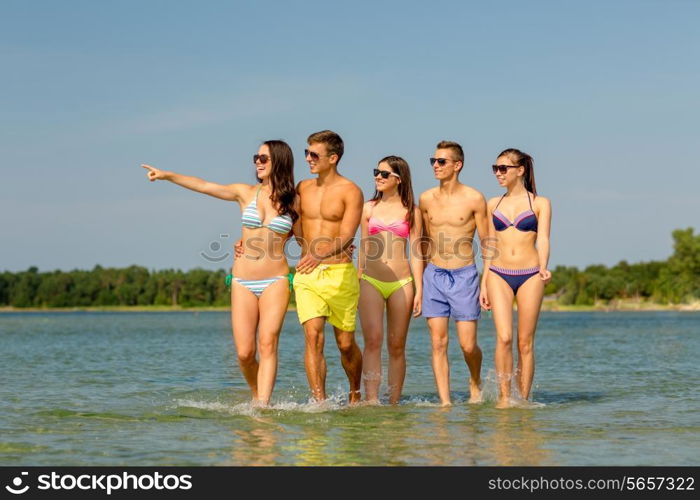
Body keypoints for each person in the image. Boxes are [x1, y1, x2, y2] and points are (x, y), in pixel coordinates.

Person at [141, 140, 297, 406]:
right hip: (243, 279)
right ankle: (257, 394)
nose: (257, 162)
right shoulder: (244, 193)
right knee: (245, 353)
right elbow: (204, 185)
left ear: (279, 161)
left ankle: (263, 407)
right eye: (255, 157)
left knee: (268, 343)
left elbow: (312, 230)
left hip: (276, 279)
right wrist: (168, 176)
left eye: (264, 158)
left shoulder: (295, 200)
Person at [293, 130, 364, 404]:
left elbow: (347, 235)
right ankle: (319, 402)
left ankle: (355, 394)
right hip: (308, 274)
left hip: (339, 274)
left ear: (333, 158)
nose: (308, 159)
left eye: (314, 154)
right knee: (313, 336)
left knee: (345, 344)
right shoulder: (302, 188)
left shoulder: (351, 191)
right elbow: (292, 223)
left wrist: (321, 253)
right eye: (307, 153)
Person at [480, 148, 551, 408]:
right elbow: (488, 245)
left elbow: (543, 238)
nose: (498, 173)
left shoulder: (540, 203)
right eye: (495, 168)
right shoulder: (492, 204)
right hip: (498, 274)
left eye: (503, 168)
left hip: (531, 274)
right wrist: (483, 283)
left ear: (519, 170)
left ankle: (523, 399)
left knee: (525, 342)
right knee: (504, 338)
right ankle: (503, 398)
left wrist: (544, 266)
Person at [419, 140, 489, 406]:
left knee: (467, 345)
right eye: (433, 161)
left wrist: (486, 283)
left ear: (457, 165)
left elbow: (487, 243)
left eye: (441, 161)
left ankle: (474, 380)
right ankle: (445, 402)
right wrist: (421, 281)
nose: (435, 166)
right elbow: (424, 240)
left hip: (465, 275)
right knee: (438, 343)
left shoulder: (474, 198)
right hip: (434, 275)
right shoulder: (426, 199)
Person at [358, 156, 423, 404]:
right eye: (376, 172)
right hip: (371, 280)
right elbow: (363, 247)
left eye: (384, 174)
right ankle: (372, 399)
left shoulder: (411, 211)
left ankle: (394, 402)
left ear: (398, 179)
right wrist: (358, 277)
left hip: (402, 282)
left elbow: (417, 252)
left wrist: (419, 289)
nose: (378, 177)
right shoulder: (368, 208)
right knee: (372, 341)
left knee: (396, 345)